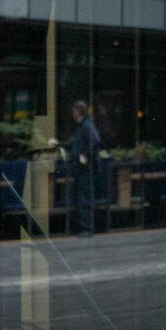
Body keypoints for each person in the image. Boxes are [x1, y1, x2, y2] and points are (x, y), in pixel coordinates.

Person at [67, 100, 100, 238]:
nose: (72, 114)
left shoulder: (87, 126)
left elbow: (95, 140)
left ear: (77, 112)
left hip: (86, 170)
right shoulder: (83, 126)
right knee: (81, 197)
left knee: (84, 198)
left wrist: (85, 156)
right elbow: (75, 143)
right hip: (82, 170)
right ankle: (84, 228)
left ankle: (87, 229)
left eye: (73, 111)